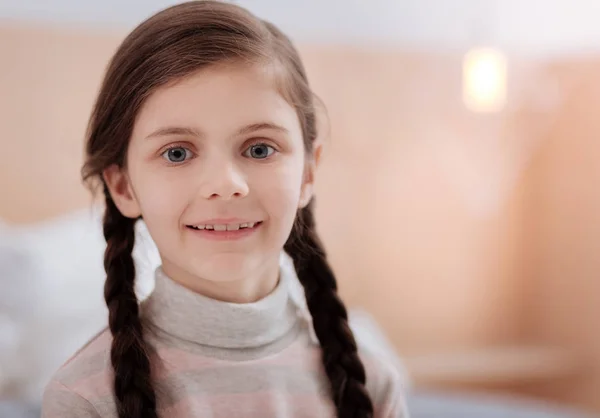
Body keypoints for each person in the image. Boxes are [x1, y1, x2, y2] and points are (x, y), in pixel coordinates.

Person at [41, 1, 408, 417]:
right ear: (123, 186)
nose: (226, 184)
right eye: (177, 153)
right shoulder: (84, 398)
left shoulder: (372, 385)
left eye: (259, 148)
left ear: (307, 172)